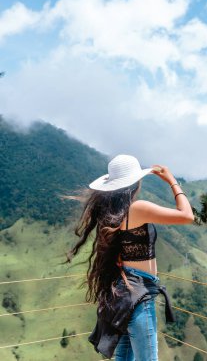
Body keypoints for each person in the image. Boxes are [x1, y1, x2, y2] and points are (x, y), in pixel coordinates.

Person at [63, 154, 194, 360]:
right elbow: (187, 216)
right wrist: (172, 182)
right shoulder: (137, 209)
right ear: (135, 183)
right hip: (139, 293)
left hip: (124, 293)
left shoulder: (113, 213)